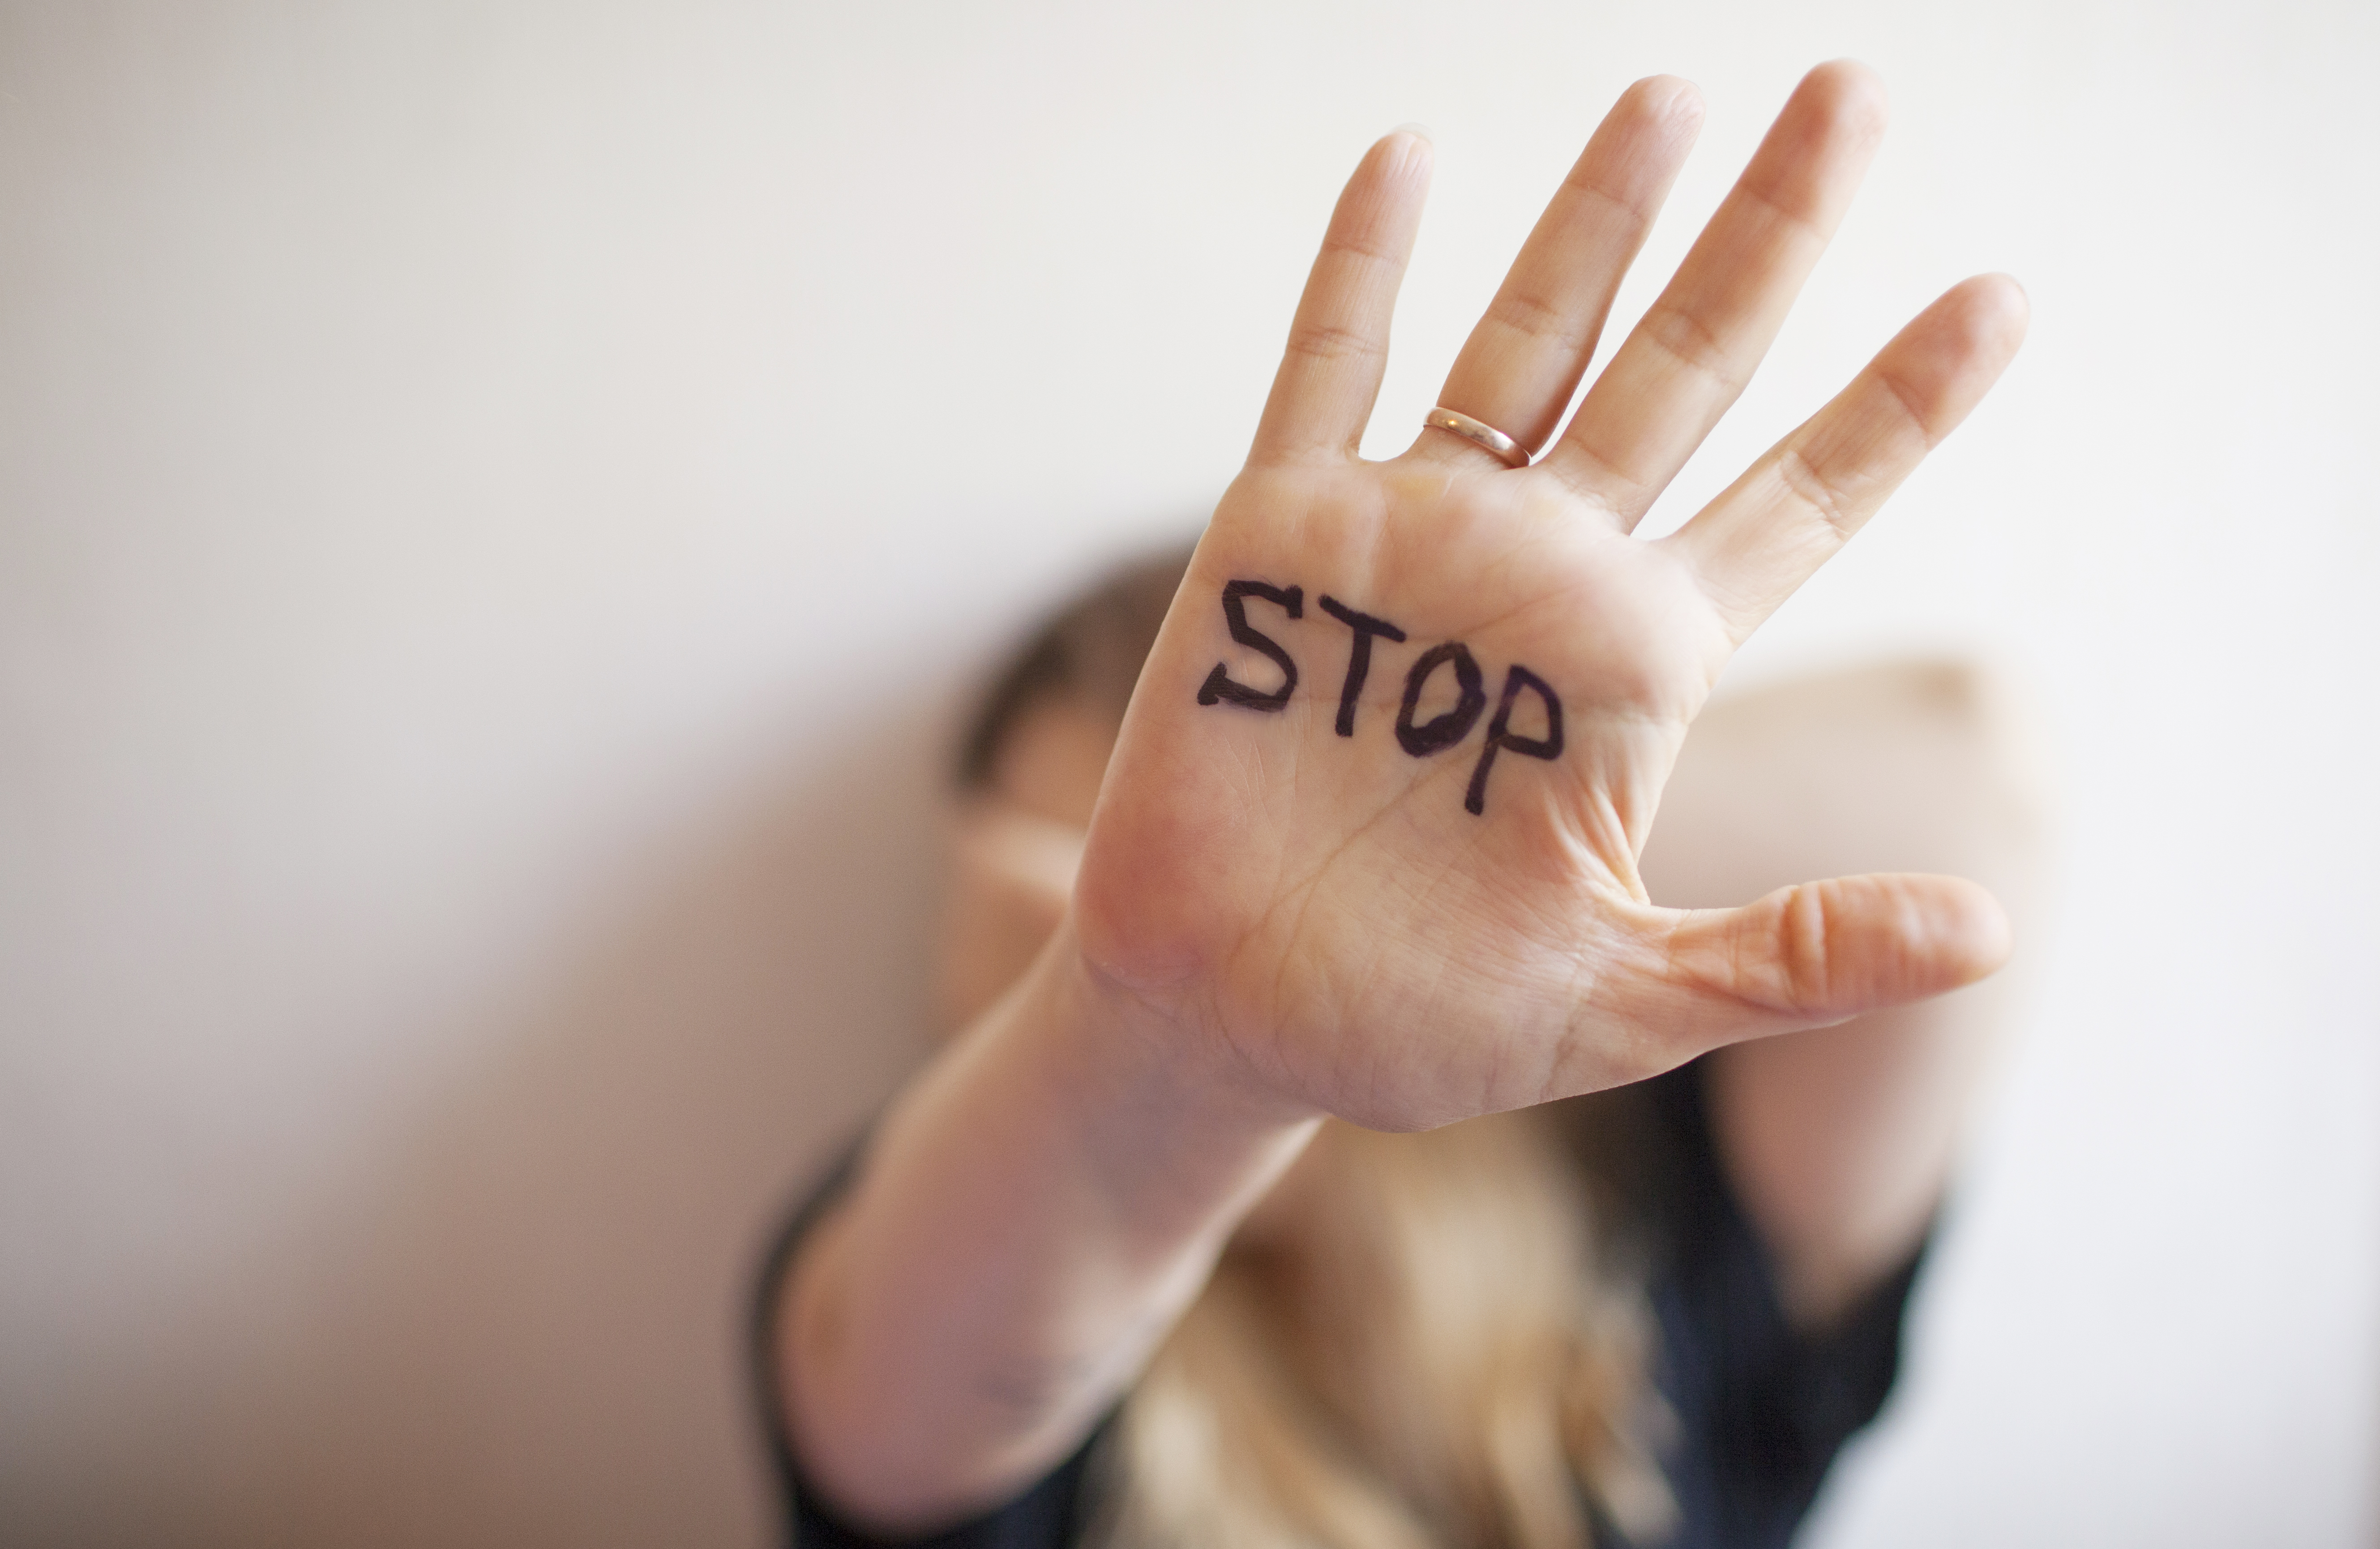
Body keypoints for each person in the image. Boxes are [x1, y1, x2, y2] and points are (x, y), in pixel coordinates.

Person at [755, 61, 2041, 1549]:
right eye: (1066, 890)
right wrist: (1134, 1041)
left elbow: (1978, 776)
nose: (1153, 924)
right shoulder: (953, 1306)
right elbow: (894, 1413)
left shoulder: (1656, 1267)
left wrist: (1497, 813)